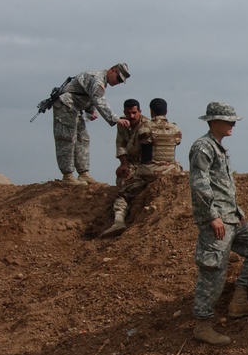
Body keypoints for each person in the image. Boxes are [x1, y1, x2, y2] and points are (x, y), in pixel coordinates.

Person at [188, 102, 248, 346]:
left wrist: (237, 211)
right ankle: (202, 325)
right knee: (214, 270)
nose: (233, 124)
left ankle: (240, 301)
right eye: (228, 120)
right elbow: (200, 184)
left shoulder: (217, 147)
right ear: (213, 121)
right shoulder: (203, 147)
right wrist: (212, 215)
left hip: (231, 217)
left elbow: (222, 185)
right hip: (217, 220)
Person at [101, 98, 184, 238]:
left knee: (124, 193)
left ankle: (119, 220)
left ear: (150, 111)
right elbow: (178, 141)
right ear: (166, 111)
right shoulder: (175, 128)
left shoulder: (145, 127)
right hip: (171, 171)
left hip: (148, 171)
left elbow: (132, 150)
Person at [51, 63, 132, 185]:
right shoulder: (97, 79)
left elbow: (88, 97)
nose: (118, 82)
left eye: (121, 81)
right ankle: (67, 176)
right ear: (112, 70)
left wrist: (90, 111)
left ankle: (83, 173)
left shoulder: (100, 81)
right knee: (67, 139)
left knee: (83, 139)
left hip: (75, 108)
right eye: (118, 78)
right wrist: (115, 119)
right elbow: (99, 100)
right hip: (66, 106)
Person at [113, 99, 150, 187]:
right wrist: (123, 164)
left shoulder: (147, 125)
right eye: (128, 113)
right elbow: (120, 145)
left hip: (145, 161)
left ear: (139, 112)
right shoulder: (122, 124)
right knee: (122, 181)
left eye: (134, 112)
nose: (131, 116)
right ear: (124, 112)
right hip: (131, 161)